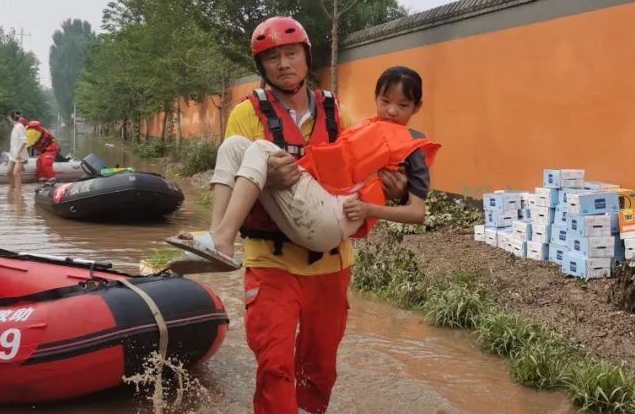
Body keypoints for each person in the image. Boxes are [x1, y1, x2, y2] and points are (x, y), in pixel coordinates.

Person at [169, 16, 409, 414]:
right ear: (262, 66)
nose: (283, 64)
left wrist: (394, 189)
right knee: (274, 363)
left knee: (320, 370)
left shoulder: (337, 112)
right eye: (273, 57)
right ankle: (219, 238)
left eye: (291, 54)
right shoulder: (246, 114)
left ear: (306, 57)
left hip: (329, 262)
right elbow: (236, 181)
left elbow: (360, 179)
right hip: (271, 260)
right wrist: (268, 179)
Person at [168, 66, 439, 271]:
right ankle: (216, 236)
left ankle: (224, 240)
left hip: (334, 220)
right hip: (318, 204)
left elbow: (416, 212)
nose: (392, 111)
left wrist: (370, 209)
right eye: (385, 101)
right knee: (234, 145)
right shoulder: (364, 127)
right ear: (376, 97)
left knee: (261, 149)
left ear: (417, 107)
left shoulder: (414, 146)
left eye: (403, 105)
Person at [6, 110, 27, 189]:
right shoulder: (15, 127)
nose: (8, 120)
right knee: (9, 172)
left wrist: (18, 153)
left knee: (16, 173)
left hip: (20, 155)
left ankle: (18, 192)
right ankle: (12, 189)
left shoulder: (20, 127)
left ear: (11, 118)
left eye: (9, 118)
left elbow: (24, 141)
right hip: (13, 154)